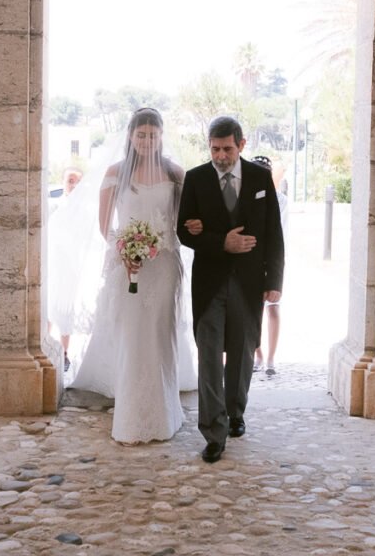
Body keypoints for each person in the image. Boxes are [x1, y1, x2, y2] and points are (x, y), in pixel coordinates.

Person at [70, 107, 188, 444]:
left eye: (153, 135)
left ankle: (165, 415)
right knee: (134, 338)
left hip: (164, 263)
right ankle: (133, 417)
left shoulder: (176, 174)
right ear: (130, 136)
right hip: (128, 265)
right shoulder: (115, 173)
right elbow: (106, 226)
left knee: (159, 335)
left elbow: (186, 219)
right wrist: (125, 251)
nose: (147, 141)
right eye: (141, 135)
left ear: (161, 136)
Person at [177, 116, 285, 463]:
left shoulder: (259, 178)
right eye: (214, 149)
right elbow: (183, 231)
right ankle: (212, 431)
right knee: (209, 356)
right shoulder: (195, 179)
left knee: (242, 351)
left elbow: (273, 232)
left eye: (226, 148)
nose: (220, 156)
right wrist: (221, 242)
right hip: (209, 284)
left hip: (249, 281)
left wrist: (274, 282)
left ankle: (235, 412)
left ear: (241, 144)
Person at [250, 155, 288, 377]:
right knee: (253, 310)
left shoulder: (280, 200)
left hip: (273, 258)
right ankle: (258, 354)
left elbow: (281, 232)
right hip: (253, 260)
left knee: (273, 307)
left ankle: (271, 357)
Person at [46, 167, 84, 370]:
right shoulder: (54, 206)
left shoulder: (85, 210)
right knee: (48, 305)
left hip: (71, 265)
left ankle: (65, 352)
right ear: (63, 182)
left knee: (65, 306)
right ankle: (44, 345)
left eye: (78, 181)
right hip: (53, 262)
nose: (74, 185)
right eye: (70, 180)